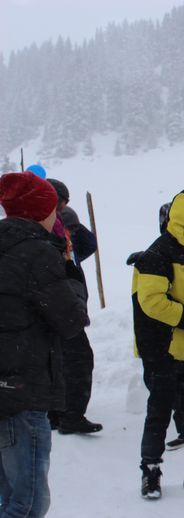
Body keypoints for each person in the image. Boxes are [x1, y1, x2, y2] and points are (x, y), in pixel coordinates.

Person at [0, 171, 89, 517]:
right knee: (29, 502)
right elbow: (70, 320)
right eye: (52, 207)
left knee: (9, 496)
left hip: (6, 386)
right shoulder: (39, 254)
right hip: (24, 390)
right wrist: (72, 277)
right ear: (41, 211)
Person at [131, 190, 184, 499]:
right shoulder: (158, 254)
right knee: (159, 412)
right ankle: (150, 471)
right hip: (163, 350)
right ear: (183, 220)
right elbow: (152, 301)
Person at [45, 178, 102, 435]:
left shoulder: (61, 230)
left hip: (62, 304)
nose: (62, 210)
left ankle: (57, 412)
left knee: (56, 359)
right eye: (60, 204)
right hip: (60, 306)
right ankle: (70, 414)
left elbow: (88, 245)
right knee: (77, 358)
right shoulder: (51, 232)